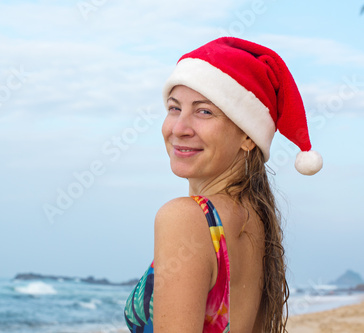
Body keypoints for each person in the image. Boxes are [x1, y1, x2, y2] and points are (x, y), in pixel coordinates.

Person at [124, 37, 323, 333]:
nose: (179, 128)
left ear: (247, 137)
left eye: (204, 111)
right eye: (174, 108)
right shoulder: (256, 219)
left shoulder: (187, 218)